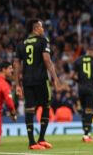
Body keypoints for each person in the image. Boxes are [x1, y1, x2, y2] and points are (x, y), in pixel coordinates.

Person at [13, 19, 60, 150]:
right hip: (41, 79)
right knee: (46, 106)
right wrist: (55, 77)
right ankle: (41, 139)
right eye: (41, 26)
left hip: (27, 81)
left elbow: (16, 65)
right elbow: (46, 59)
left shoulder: (20, 44)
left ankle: (32, 142)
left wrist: (17, 84)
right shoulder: (43, 40)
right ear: (35, 28)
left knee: (29, 109)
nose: (43, 29)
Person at [73, 46, 93, 142]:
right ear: (92, 51)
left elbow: (72, 76)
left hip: (81, 88)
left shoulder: (78, 60)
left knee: (84, 110)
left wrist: (79, 81)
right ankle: (86, 134)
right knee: (90, 110)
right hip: (91, 88)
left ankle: (86, 133)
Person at [0, 62, 17, 146]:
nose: (12, 70)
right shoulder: (4, 85)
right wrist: (13, 114)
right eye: (10, 68)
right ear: (3, 69)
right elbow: (10, 103)